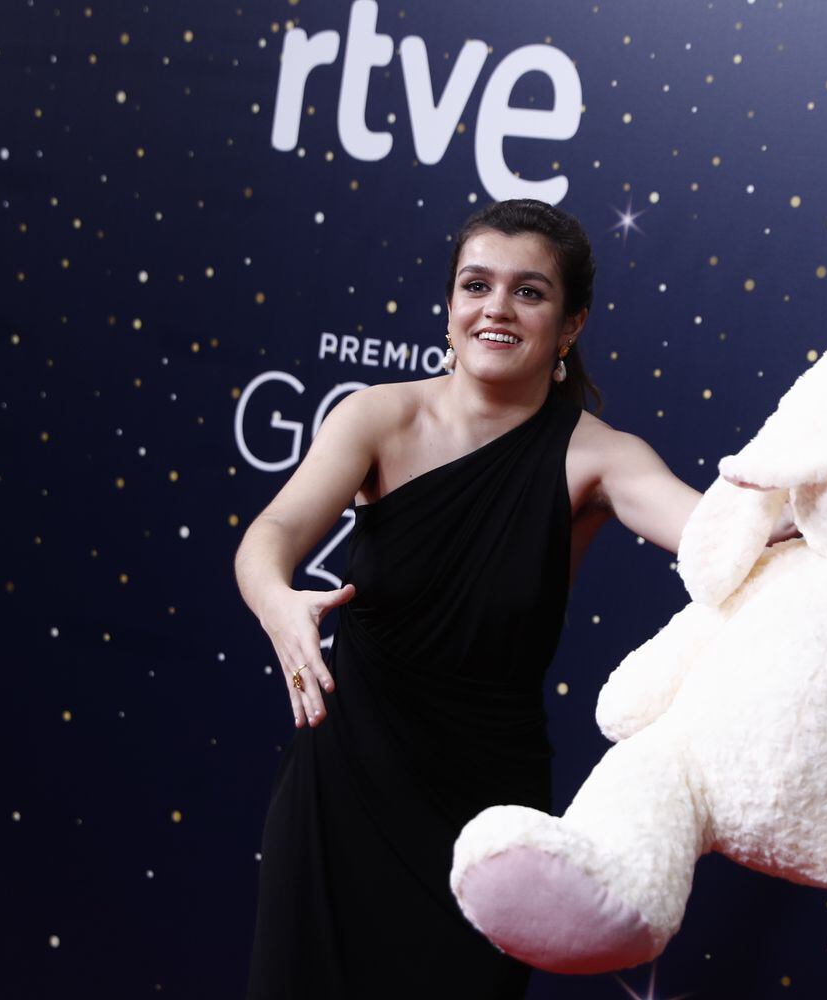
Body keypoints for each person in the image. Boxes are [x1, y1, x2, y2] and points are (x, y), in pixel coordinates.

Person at [236, 199, 700, 998]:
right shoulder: (380, 416)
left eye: (529, 292)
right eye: (476, 284)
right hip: (339, 791)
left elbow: (716, 532)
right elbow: (270, 535)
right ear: (449, 305)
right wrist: (279, 602)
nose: (496, 308)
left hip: (485, 820)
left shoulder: (601, 458)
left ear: (572, 322)